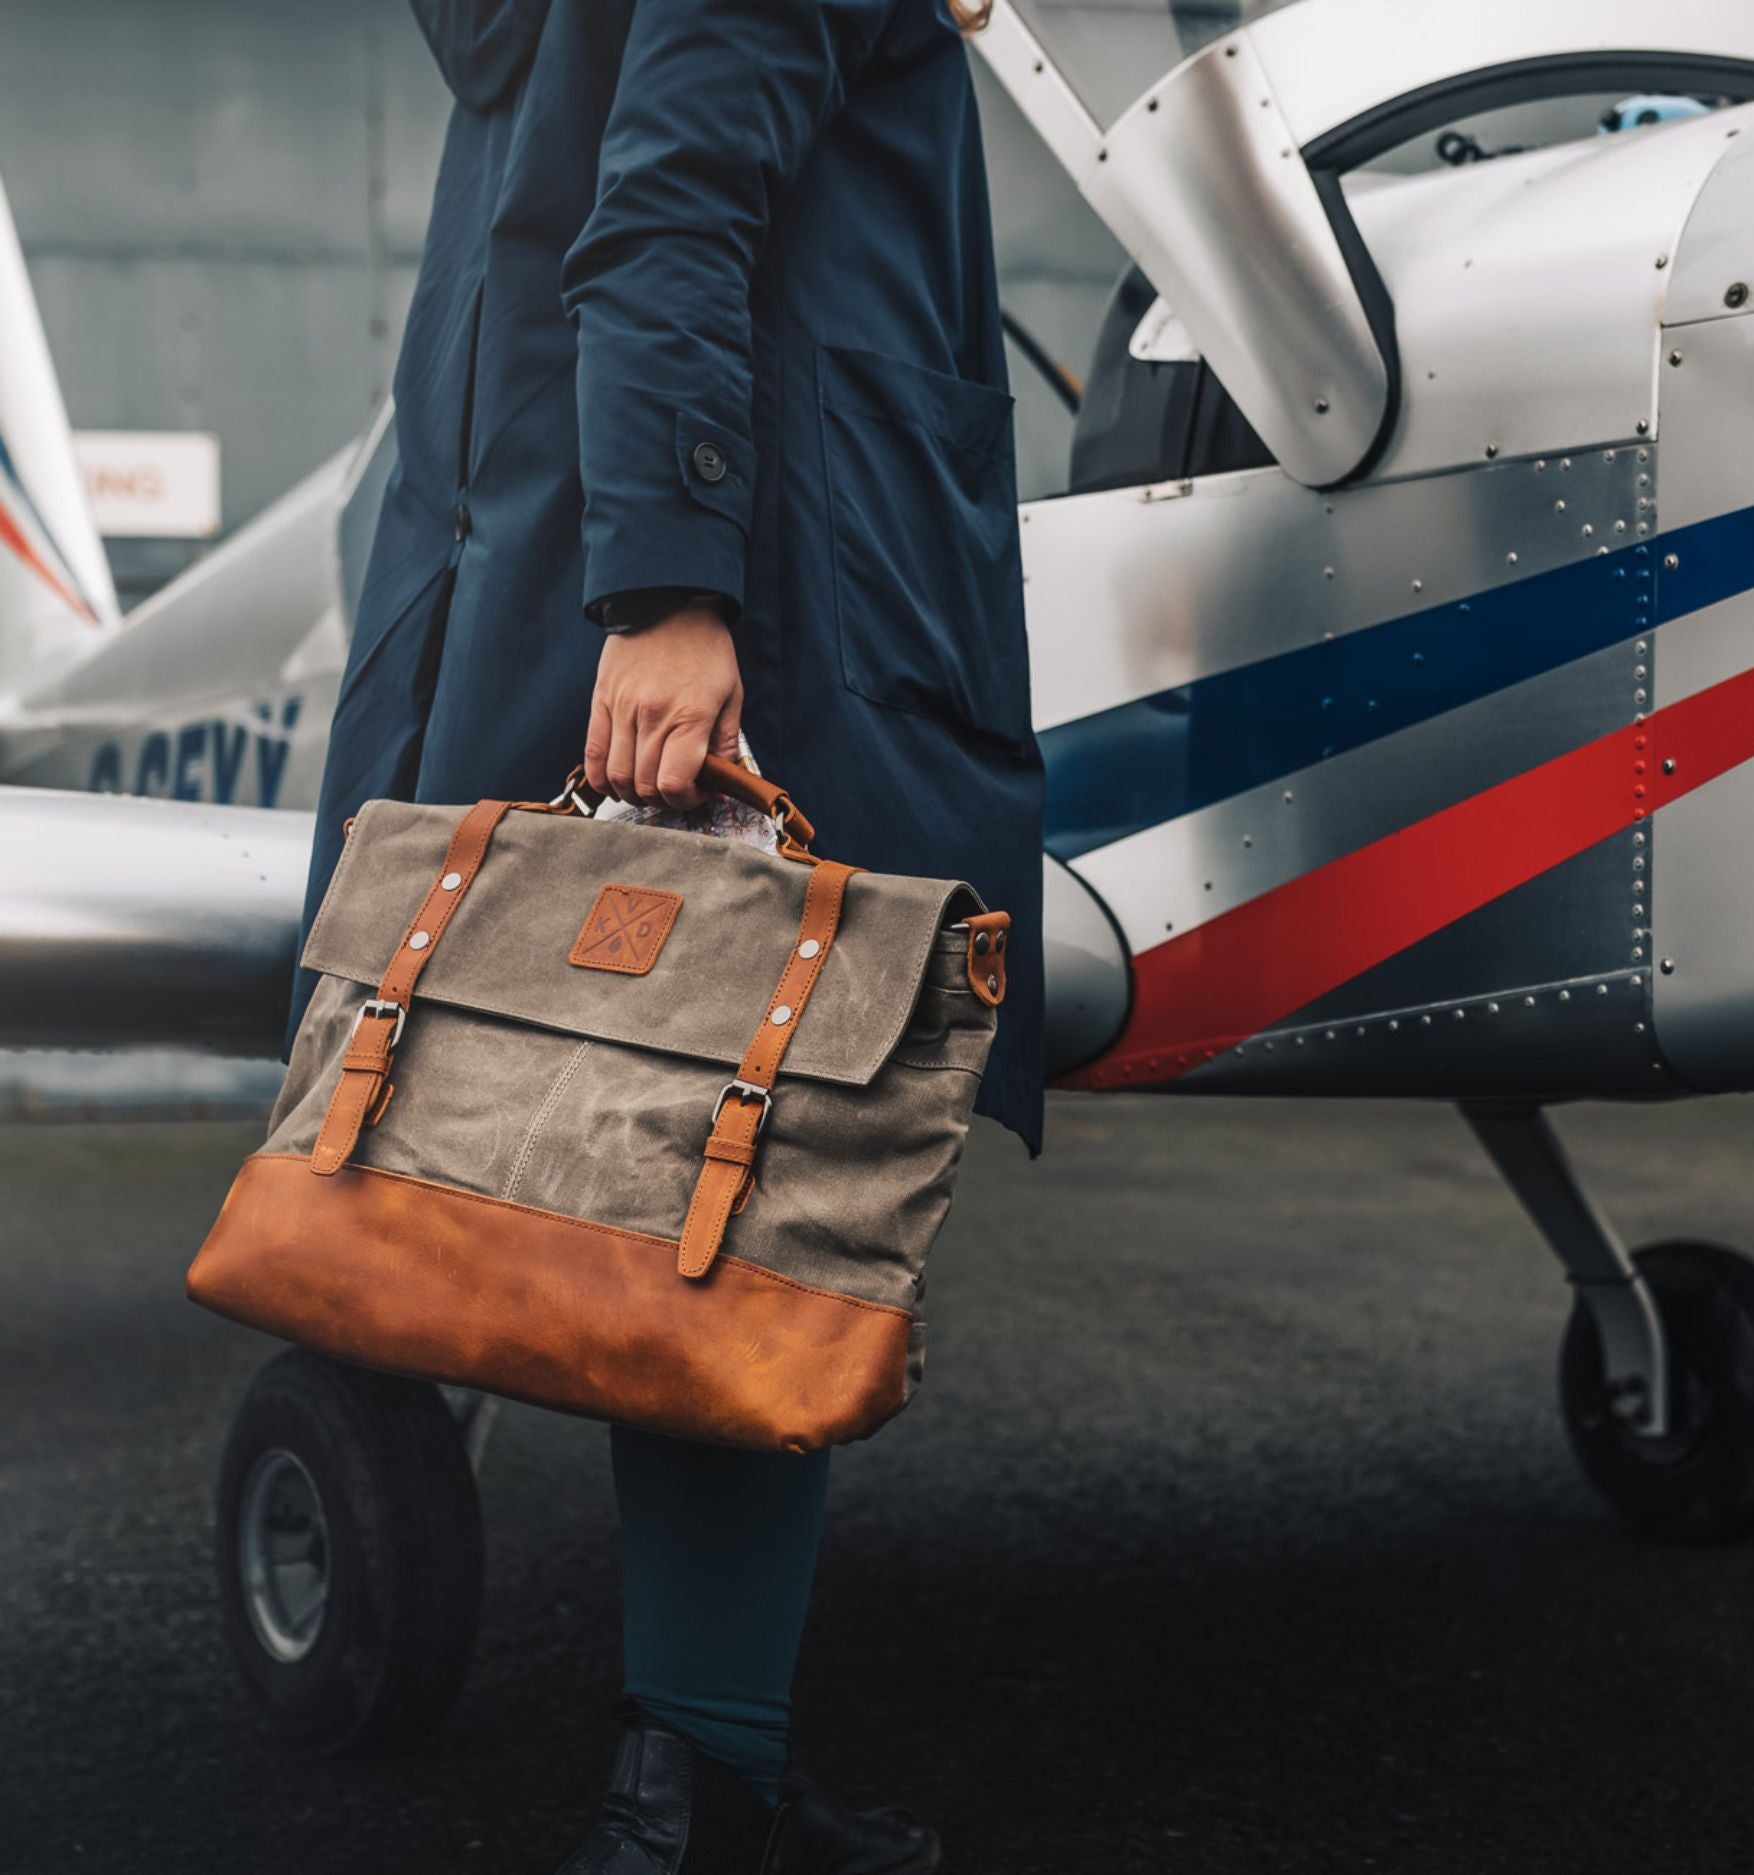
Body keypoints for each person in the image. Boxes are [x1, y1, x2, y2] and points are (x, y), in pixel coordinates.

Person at [289, 1, 1045, 1869]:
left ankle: (697, 1764)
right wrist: (675, 593)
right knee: (742, 1182)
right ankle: (690, 1786)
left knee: (658, 1155)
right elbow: (675, 211)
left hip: (516, 585)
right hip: (729, 597)